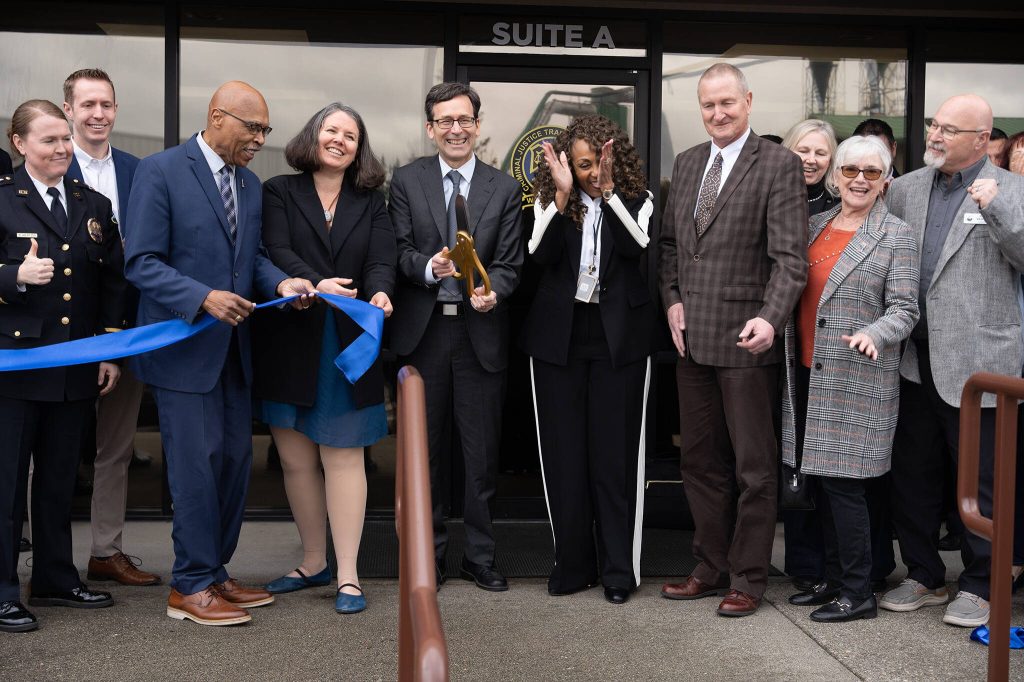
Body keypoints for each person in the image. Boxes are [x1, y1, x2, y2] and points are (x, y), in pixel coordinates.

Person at [124, 81, 314, 626]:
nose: (259, 139)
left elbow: (251, 259)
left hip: (235, 352)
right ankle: (188, 586)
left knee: (234, 465)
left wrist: (282, 286)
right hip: (182, 352)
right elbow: (141, 261)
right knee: (194, 470)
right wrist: (202, 297)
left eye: (265, 131)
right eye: (252, 128)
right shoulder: (159, 171)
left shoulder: (250, 185)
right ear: (216, 116)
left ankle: (216, 573)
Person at [657, 63, 807, 617]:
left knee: (753, 468)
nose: (717, 113)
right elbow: (670, 246)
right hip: (691, 342)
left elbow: (790, 260)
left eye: (727, 103)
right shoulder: (688, 162)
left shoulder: (778, 165)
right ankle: (710, 564)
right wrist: (671, 300)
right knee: (699, 462)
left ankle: (748, 576)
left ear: (747, 100)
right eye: (707, 105)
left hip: (748, 341)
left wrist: (771, 318)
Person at [881, 95, 1024, 628]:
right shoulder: (907, 187)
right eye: (933, 125)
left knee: (983, 482)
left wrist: (1000, 209)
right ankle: (922, 575)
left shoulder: (1013, 190)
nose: (935, 136)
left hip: (979, 364)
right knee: (914, 476)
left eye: (949, 129)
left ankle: (982, 584)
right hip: (913, 360)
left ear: (982, 139)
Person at [253, 103, 395, 615]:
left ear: (360, 149)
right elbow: (274, 249)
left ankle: (349, 576)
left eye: (350, 135)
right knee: (295, 460)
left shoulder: (372, 201)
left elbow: (382, 260)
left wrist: (379, 293)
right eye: (331, 130)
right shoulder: (278, 191)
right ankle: (313, 562)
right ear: (313, 135)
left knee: (343, 455)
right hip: (291, 337)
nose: (339, 140)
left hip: (347, 342)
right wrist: (315, 283)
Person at [388, 82, 523, 592]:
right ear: (430, 128)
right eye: (444, 120)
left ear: (477, 125)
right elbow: (397, 251)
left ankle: (480, 557)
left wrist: (495, 293)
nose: (455, 129)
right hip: (423, 336)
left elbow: (511, 264)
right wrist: (427, 265)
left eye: (464, 120)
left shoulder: (503, 188)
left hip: (479, 334)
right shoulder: (406, 181)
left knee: (481, 456)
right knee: (424, 456)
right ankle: (428, 557)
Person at [0, 99, 127, 633]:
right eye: (49, 140)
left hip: (76, 362)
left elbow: (112, 280)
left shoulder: (92, 202)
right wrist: (13, 276)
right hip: (18, 364)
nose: (61, 148)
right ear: (19, 144)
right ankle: (4, 589)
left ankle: (54, 576)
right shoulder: (3, 200)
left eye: (64, 139)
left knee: (57, 479)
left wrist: (108, 347)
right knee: (7, 484)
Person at [520, 115, 656, 605]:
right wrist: (559, 199)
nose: (591, 174)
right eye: (582, 165)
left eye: (599, 163)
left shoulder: (638, 200)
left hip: (618, 341)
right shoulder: (549, 202)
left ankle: (619, 569)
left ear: (614, 158)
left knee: (615, 458)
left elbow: (636, 246)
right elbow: (537, 255)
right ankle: (573, 564)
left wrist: (612, 193)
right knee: (564, 457)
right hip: (560, 341)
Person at [782, 136, 919, 622]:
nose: (859, 179)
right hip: (806, 373)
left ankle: (859, 591)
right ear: (836, 175)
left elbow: (905, 309)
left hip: (859, 376)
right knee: (819, 483)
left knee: (847, 486)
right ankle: (834, 579)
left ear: (885, 181)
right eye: (851, 170)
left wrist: (874, 334)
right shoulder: (814, 226)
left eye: (871, 172)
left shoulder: (897, 235)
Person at [61, 67, 158, 588]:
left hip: (125, 331)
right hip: (60, 336)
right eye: (88, 105)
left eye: (107, 105)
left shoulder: (140, 171)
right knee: (45, 449)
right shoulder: (44, 165)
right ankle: (41, 556)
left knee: (115, 448)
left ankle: (106, 552)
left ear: (116, 110)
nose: (98, 114)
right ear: (69, 110)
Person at [782, 119, 838, 217]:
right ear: (786, 152)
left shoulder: (840, 206)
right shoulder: (766, 198)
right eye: (803, 151)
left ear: (830, 160)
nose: (811, 160)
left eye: (820, 153)